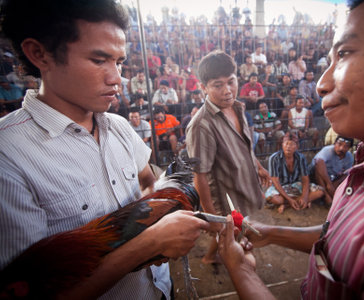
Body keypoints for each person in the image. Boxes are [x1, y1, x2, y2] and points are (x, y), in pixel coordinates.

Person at [218, 0, 364, 298]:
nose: (322, 84)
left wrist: (242, 271)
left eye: (344, 54)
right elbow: (337, 236)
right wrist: (270, 232)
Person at [0, 1, 209, 299]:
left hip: (158, 288)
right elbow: (27, 290)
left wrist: (161, 212)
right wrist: (149, 243)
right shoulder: (7, 155)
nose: (117, 78)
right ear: (39, 54)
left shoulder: (119, 126)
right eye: (99, 60)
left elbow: (149, 180)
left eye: (119, 61)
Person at [186, 50, 271, 264]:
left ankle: (211, 255)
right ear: (203, 88)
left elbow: (244, 146)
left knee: (233, 228)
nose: (227, 90)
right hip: (224, 195)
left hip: (241, 185)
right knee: (228, 229)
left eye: (231, 82)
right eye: (217, 85)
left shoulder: (238, 107)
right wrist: (211, 216)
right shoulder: (201, 125)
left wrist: (258, 167)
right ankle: (210, 257)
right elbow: (200, 176)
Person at [265, 132, 324, 213]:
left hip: (295, 185)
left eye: (292, 144)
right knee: (275, 199)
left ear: (297, 146)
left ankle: (287, 205)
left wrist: (305, 197)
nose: (288, 147)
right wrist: (289, 199)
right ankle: (294, 202)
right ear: (282, 145)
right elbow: (276, 182)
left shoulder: (301, 158)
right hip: (280, 187)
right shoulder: (274, 158)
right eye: (286, 143)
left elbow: (305, 179)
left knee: (320, 191)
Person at [309, 136, 354, 205]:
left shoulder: (349, 157)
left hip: (332, 179)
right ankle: (326, 195)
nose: (341, 148)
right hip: (317, 178)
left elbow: (345, 174)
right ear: (334, 143)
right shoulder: (328, 150)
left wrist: (333, 185)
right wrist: (329, 185)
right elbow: (318, 162)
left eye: (346, 146)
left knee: (345, 177)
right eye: (339, 144)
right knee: (318, 167)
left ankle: (331, 196)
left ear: (349, 148)